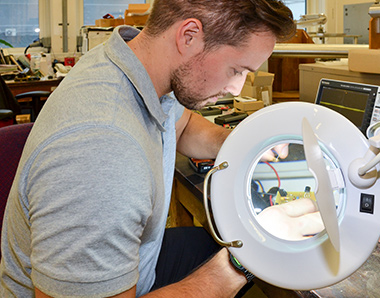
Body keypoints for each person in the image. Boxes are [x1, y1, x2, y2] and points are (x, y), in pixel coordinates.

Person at [0, 0, 299, 297]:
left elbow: (181, 125)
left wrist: (243, 147)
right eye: (236, 70)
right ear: (189, 35)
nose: (237, 88)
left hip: (139, 264)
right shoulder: (103, 153)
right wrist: (242, 261)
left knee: (204, 244)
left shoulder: (135, 64)